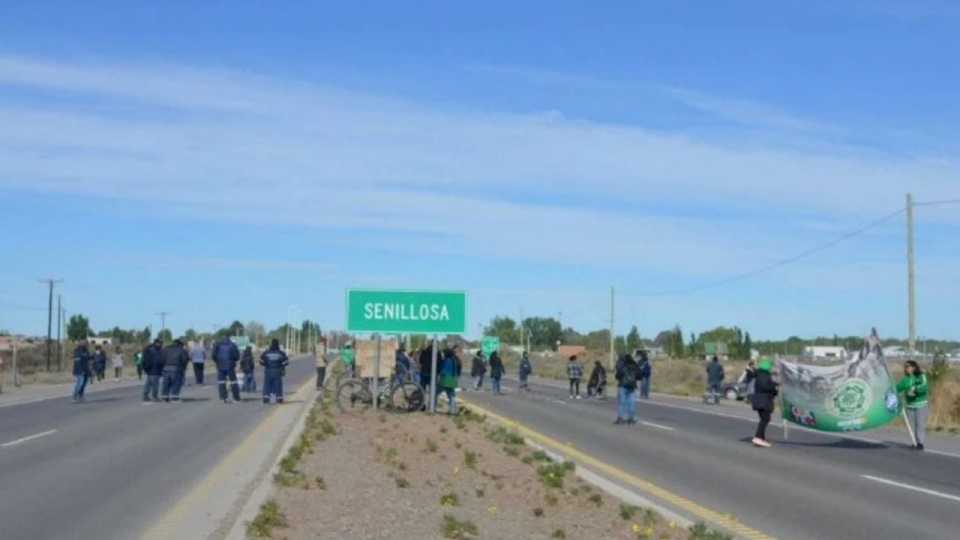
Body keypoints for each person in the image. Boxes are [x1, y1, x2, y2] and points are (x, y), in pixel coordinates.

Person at [897, 360, 930, 451]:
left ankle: (920, 443)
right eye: (905, 367)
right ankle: (914, 442)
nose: (906, 368)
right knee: (910, 425)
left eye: (908, 366)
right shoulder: (905, 379)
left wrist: (915, 390)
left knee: (920, 424)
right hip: (910, 405)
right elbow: (898, 388)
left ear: (913, 367)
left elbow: (924, 387)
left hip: (921, 405)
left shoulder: (921, 376)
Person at [751, 359, 778, 447]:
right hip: (763, 400)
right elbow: (766, 386)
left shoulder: (759, 374)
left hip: (759, 400)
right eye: (770, 367)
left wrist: (774, 385)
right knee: (765, 419)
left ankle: (760, 439)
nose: (771, 369)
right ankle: (758, 437)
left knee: (764, 418)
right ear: (767, 368)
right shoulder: (764, 375)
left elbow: (767, 384)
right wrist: (774, 390)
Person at [212, 336, 241, 403]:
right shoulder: (233, 345)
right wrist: (233, 361)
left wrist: (217, 361)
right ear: (229, 339)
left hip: (220, 366)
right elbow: (237, 356)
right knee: (233, 382)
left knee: (221, 382)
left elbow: (213, 355)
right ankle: (236, 398)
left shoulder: (217, 345)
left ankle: (223, 397)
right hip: (230, 365)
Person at [260, 339, 289, 404]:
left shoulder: (266, 352)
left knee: (267, 385)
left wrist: (266, 364)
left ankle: (266, 398)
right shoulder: (281, 353)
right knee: (278, 385)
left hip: (268, 371)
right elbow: (286, 362)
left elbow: (261, 361)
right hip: (277, 371)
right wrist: (281, 365)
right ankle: (279, 399)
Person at [615, 353, 639, 424]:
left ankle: (620, 418)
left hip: (623, 385)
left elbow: (617, 376)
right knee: (631, 403)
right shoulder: (635, 365)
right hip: (632, 386)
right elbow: (640, 375)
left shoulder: (623, 366)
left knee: (621, 403)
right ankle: (631, 419)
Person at [437, 347, 461, 415]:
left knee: (435, 393)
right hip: (453, 380)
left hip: (445, 380)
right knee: (451, 395)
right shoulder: (454, 360)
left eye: (444, 353)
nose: (443, 354)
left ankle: (432, 407)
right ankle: (453, 410)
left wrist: (438, 375)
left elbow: (443, 370)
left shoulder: (446, 360)